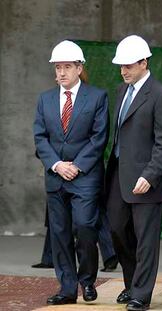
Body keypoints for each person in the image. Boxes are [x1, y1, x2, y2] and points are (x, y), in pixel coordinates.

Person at [33, 40, 109, 305]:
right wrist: (57, 165)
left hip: (85, 176)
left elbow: (99, 138)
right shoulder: (45, 99)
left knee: (86, 226)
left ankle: (87, 280)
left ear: (79, 68)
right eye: (57, 67)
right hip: (56, 176)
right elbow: (40, 137)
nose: (61, 72)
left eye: (67, 67)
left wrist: (76, 165)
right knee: (60, 233)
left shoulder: (97, 97)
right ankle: (67, 289)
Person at [105, 35, 162, 311]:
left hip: (146, 179)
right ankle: (131, 283)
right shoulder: (122, 91)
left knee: (146, 241)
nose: (123, 70)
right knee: (117, 229)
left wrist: (150, 175)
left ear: (144, 63)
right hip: (119, 176)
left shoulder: (160, 94)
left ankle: (140, 295)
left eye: (129, 65)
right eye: (121, 66)